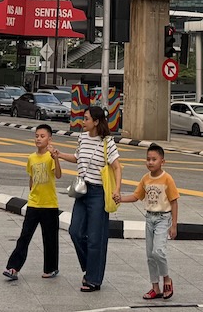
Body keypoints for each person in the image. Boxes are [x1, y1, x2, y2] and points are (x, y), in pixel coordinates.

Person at [53, 103, 121, 293]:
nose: (83, 122)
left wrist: (117, 189)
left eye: (86, 119)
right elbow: (77, 157)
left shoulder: (107, 142)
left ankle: (93, 279)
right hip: (82, 190)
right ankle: (90, 266)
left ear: (96, 122)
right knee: (75, 231)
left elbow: (117, 167)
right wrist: (60, 155)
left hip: (98, 193)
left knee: (95, 238)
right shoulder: (82, 138)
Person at [2, 124, 61, 282]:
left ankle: (51, 268)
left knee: (50, 239)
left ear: (49, 139)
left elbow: (58, 175)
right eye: (36, 136)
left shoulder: (51, 156)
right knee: (24, 236)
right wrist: (31, 194)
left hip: (50, 204)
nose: (38, 139)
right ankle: (13, 268)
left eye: (42, 136)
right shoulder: (31, 158)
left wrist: (56, 158)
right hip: (34, 204)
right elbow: (31, 178)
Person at [128, 143, 180, 301]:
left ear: (162, 161)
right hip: (149, 218)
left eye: (154, 159)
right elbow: (136, 196)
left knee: (158, 251)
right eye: (148, 159)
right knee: (150, 255)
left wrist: (174, 225)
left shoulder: (167, 179)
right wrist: (119, 199)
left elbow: (174, 202)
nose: (150, 162)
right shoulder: (145, 179)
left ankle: (167, 279)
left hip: (163, 218)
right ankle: (155, 287)